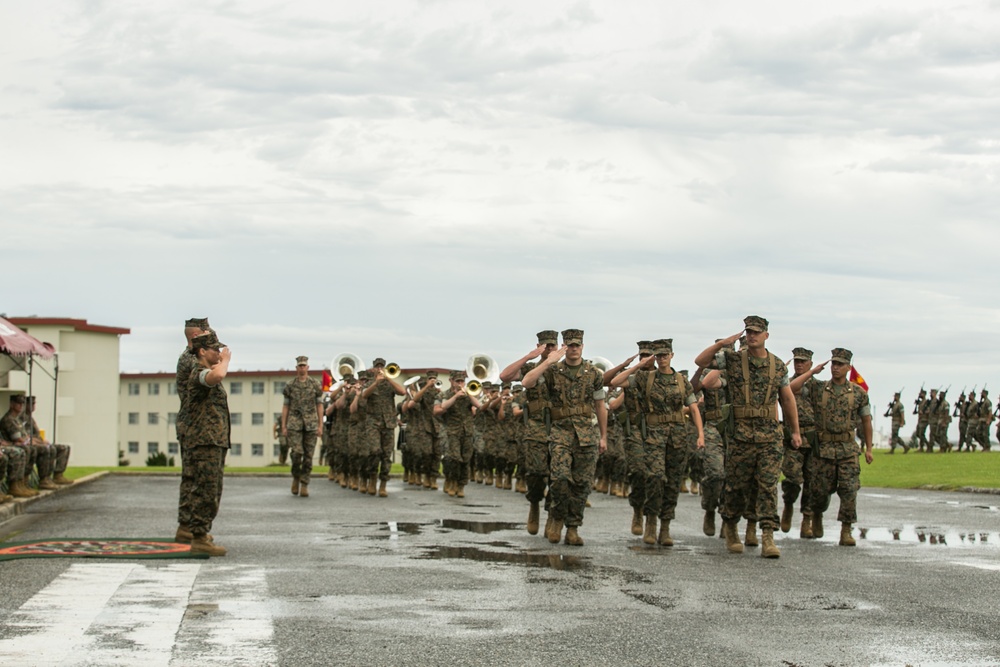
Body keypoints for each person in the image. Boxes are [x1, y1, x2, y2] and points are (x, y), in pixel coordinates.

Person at [694, 316, 801, 559]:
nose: (752, 336)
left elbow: (787, 399)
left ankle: (768, 536)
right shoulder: (732, 360)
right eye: (749, 332)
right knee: (736, 485)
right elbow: (700, 361)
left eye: (757, 332)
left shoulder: (777, 366)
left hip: (770, 436)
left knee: (767, 485)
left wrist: (795, 431)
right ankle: (731, 526)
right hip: (741, 435)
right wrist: (724, 343)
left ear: (766, 335)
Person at [611, 339, 703, 546]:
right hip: (653, 436)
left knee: (672, 482)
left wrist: (700, 434)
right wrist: (637, 366)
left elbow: (694, 407)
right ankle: (650, 520)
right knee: (654, 477)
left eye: (664, 355)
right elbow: (616, 382)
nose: (661, 359)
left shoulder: (681, 381)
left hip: (678, 437)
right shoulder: (645, 378)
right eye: (658, 355)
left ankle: (665, 526)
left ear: (672, 355)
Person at [522, 328, 607, 546]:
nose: (573, 349)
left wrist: (604, 436)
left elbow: (599, 405)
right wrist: (548, 361)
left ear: (583, 347)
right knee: (559, 478)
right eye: (569, 345)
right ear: (564, 348)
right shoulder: (553, 371)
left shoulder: (594, 374)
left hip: (586, 435)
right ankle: (556, 517)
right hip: (560, 433)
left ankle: (572, 528)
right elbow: (527, 382)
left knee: (582, 485)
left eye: (577, 345)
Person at [802, 348, 874, 546]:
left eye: (840, 364)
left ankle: (846, 530)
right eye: (833, 364)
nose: (835, 368)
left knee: (850, 490)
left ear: (848, 367)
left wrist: (868, 448)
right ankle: (816, 514)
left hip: (848, 449)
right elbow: (792, 388)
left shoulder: (858, 393)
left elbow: (866, 420)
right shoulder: (818, 388)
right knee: (819, 491)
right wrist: (811, 372)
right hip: (823, 449)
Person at [499, 330, 558, 536]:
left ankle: (552, 514)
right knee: (535, 473)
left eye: (553, 345)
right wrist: (529, 357)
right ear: (540, 346)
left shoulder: (563, 368)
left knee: (558, 477)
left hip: (561, 429)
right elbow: (505, 376)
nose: (551, 349)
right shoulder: (532, 368)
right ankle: (534, 505)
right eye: (546, 346)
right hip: (536, 429)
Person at [184, 331, 232, 557]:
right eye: (215, 349)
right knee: (206, 489)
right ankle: (199, 537)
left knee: (212, 488)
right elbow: (217, 377)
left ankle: (201, 533)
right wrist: (226, 361)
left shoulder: (205, 370)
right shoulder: (199, 372)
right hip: (205, 441)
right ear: (202, 351)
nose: (219, 353)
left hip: (212, 440)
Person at [782, 347, 823, 538]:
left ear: (810, 364)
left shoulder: (819, 387)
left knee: (812, 481)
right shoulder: (786, 383)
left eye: (803, 362)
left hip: (812, 439)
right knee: (792, 477)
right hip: (792, 437)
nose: (799, 364)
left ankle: (806, 519)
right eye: (797, 361)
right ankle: (788, 504)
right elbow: (790, 390)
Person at [434, 370, 482, 497]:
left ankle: (461, 486)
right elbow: (440, 409)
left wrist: (468, 394)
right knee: (454, 459)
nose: (460, 383)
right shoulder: (444, 395)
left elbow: (480, 406)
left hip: (467, 432)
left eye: (462, 381)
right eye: (458, 381)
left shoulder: (468, 394)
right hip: (451, 432)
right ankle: (452, 481)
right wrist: (455, 396)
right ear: (451, 381)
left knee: (465, 460)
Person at [363, 358, 406, 497]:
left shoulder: (389, 383)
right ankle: (372, 478)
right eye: (377, 367)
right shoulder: (369, 382)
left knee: (386, 455)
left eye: (382, 366)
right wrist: (376, 382)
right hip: (373, 423)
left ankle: (383, 484)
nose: (380, 369)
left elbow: (402, 392)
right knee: (374, 451)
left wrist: (389, 379)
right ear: (373, 369)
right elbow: (364, 395)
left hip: (388, 423)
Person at [282, 356, 324, 498]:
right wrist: (284, 425)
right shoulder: (290, 385)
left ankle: (304, 483)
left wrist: (320, 425)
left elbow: (319, 405)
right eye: (299, 366)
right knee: (296, 453)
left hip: (311, 424)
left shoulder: (315, 384)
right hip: (294, 423)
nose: (301, 368)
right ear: (296, 368)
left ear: (308, 367)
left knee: (308, 456)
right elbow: (286, 406)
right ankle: (296, 477)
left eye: (304, 365)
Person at [23, 396, 73, 486]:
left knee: (64, 448)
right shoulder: (22, 419)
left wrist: (43, 440)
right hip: (31, 444)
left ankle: (58, 475)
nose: (33, 406)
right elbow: (26, 438)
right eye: (31, 404)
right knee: (48, 449)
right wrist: (41, 442)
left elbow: (36, 435)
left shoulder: (30, 418)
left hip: (38, 442)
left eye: (34, 403)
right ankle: (44, 478)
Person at [1, 395, 45, 494]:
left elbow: (26, 436)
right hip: (11, 445)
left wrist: (36, 440)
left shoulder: (17, 419)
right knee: (22, 451)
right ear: (11, 404)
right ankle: (14, 485)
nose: (21, 406)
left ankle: (22, 483)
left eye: (22, 403)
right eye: (18, 403)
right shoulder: (8, 419)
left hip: (10, 444)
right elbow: (20, 439)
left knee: (30, 449)